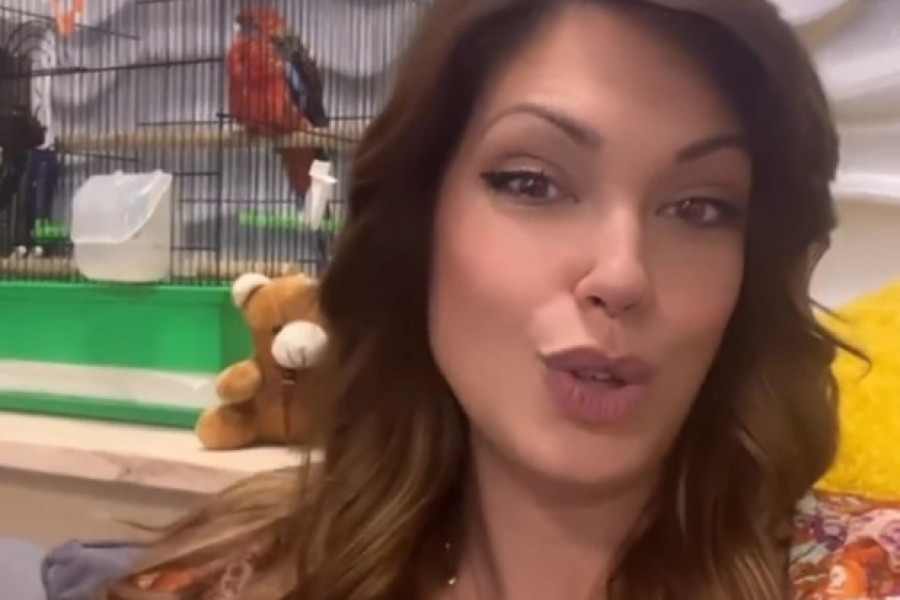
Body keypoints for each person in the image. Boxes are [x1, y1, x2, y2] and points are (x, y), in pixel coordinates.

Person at [99, 0, 900, 599]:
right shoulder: (227, 581)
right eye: (532, 183)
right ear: (420, 224)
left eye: (699, 207)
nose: (621, 275)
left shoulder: (865, 574)